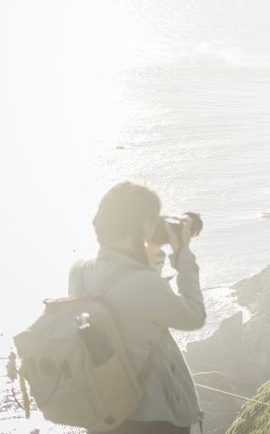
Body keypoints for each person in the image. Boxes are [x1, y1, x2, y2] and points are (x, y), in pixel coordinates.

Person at [69, 182, 206, 434]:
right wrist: (182, 254)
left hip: (107, 414)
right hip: (157, 418)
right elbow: (194, 317)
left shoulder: (79, 271)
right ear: (144, 226)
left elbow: (129, 309)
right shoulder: (146, 283)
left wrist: (148, 252)